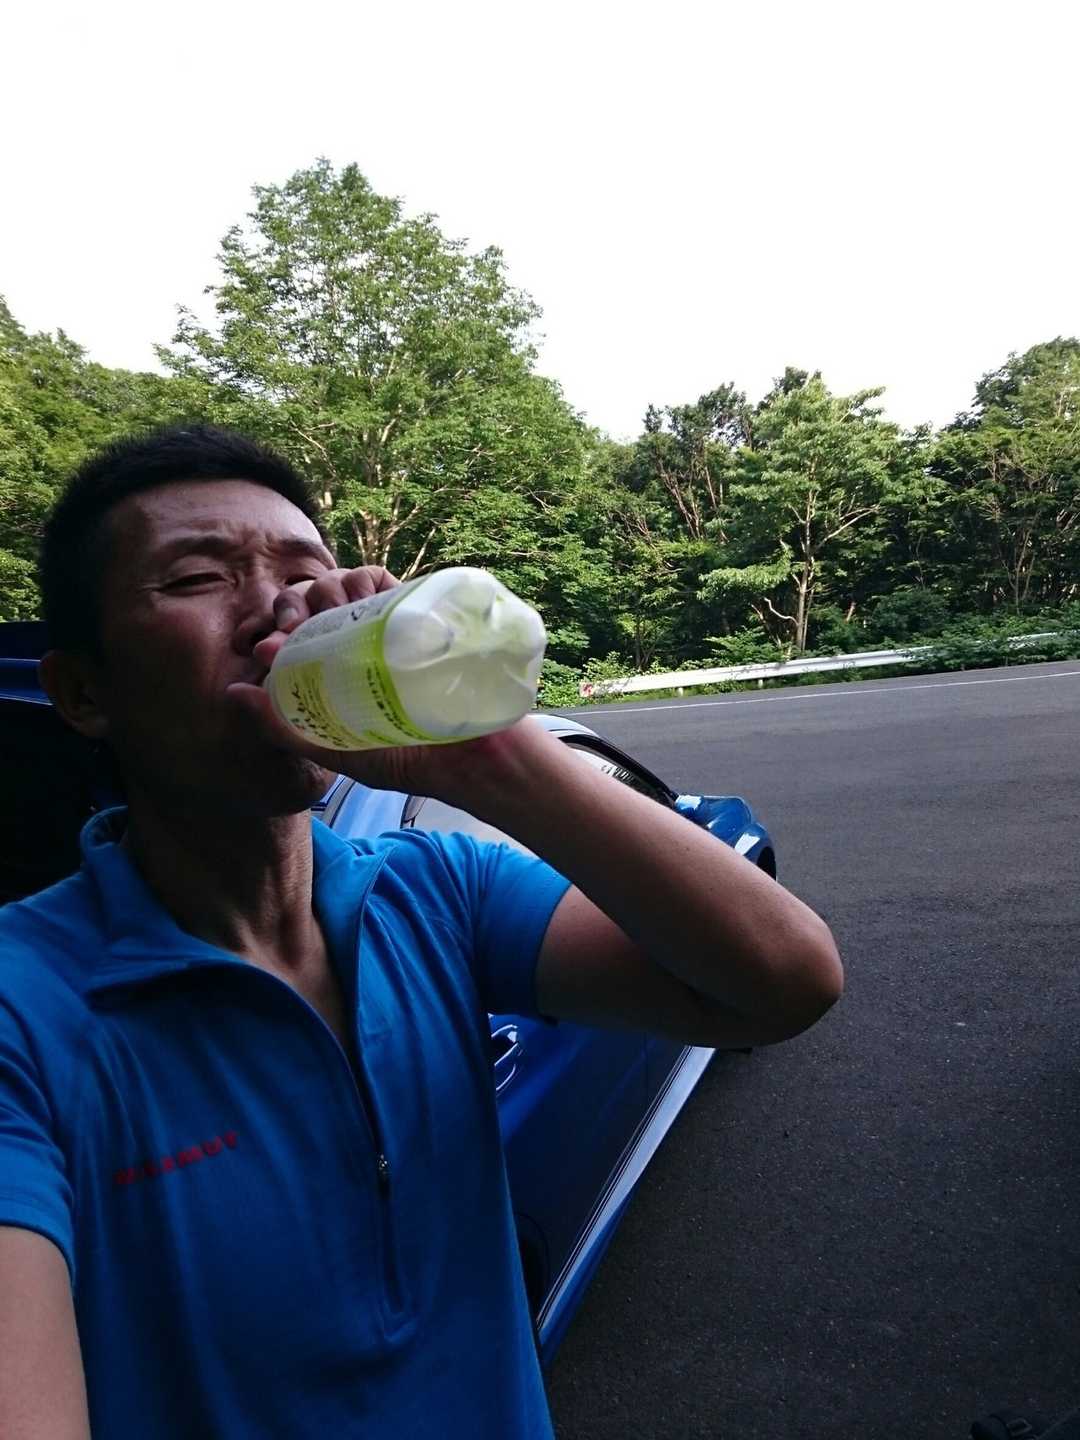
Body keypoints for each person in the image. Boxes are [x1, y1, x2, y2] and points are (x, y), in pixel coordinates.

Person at [0, 425, 843, 1439]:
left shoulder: (436, 889)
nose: (277, 608)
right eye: (197, 578)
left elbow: (784, 983)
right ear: (82, 692)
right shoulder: (24, 1010)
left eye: (306, 573)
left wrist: (483, 751)